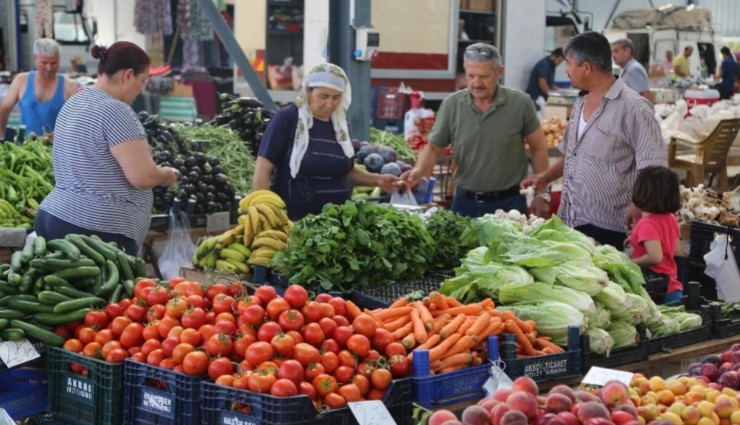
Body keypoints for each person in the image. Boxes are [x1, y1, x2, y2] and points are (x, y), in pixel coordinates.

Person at [521, 31, 667, 249]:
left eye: (569, 63)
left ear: (587, 68)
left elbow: (654, 167)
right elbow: (571, 154)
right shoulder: (580, 103)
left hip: (613, 227)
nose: (566, 70)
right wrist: (544, 177)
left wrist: (639, 204)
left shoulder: (635, 108)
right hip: (572, 220)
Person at [35, 42, 179, 254]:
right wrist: (166, 175)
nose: (142, 89)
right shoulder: (116, 111)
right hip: (94, 229)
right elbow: (143, 177)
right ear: (127, 75)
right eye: (142, 81)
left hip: (55, 215)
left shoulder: (74, 102)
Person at [402, 43, 550, 218]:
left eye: (484, 76)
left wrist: (541, 194)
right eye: (471, 75)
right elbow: (434, 148)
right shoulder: (452, 104)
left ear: (499, 72)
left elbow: (538, 148)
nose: (476, 83)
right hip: (465, 204)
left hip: (510, 204)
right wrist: (418, 172)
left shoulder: (521, 103)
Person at [253, 63, 399, 221]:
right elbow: (263, 167)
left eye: (336, 97)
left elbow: (346, 171)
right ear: (308, 91)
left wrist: (378, 180)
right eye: (323, 96)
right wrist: (260, 213)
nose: (330, 104)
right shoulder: (288, 118)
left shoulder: (340, 125)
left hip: (336, 224)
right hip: (293, 222)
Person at [626, 166, 683, 304]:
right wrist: (639, 241)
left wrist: (629, 263)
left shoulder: (647, 224)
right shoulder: (671, 218)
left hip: (656, 293)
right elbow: (675, 248)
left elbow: (655, 257)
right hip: (673, 289)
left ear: (643, 193)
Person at [0, 38, 78, 137]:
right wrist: (1, 135)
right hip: (25, 147)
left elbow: (78, 120)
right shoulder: (21, 80)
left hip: (57, 148)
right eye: (44, 63)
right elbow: (5, 108)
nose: (49, 68)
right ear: (35, 59)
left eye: (54, 63)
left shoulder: (69, 85)